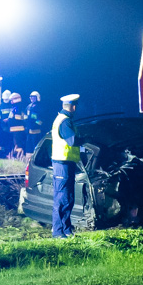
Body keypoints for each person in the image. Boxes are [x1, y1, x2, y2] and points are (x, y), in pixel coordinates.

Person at [51, 94, 82, 239]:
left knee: (68, 197)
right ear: (73, 107)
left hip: (66, 162)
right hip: (61, 163)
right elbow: (72, 141)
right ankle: (58, 231)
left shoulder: (62, 119)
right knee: (62, 197)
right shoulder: (65, 122)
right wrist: (85, 140)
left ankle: (66, 229)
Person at [6, 92, 26, 159]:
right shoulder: (16, 108)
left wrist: (9, 120)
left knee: (18, 144)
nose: (11, 102)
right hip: (16, 129)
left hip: (17, 129)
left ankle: (18, 156)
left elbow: (17, 118)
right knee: (16, 144)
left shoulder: (17, 109)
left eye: (12, 100)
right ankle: (17, 155)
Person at [25, 91, 44, 156]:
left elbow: (40, 119)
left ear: (37, 98)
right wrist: (26, 124)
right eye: (31, 97)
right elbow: (26, 116)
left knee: (36, 144)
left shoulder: (39, 106)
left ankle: (36, 156)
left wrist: (35, 124)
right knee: (29, 145)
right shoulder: (28, 106)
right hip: (29, 130)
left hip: (36, 130)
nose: (32, 98)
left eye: (33, 97)